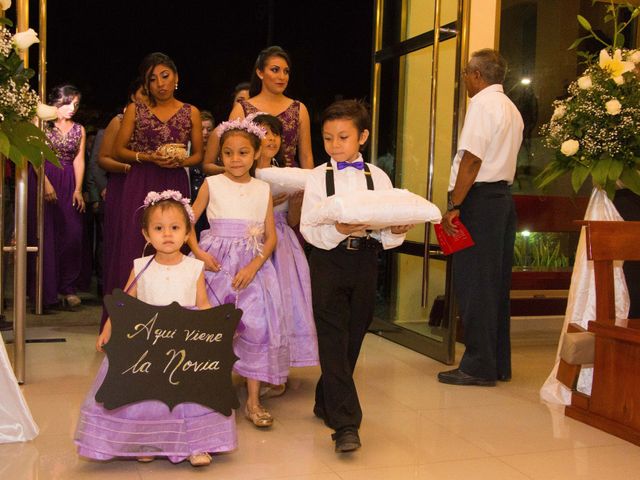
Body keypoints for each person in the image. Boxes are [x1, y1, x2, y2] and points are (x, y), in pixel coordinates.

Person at [75, 192, 236, 467]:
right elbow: (124, 302)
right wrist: (108, 328)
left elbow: (204, 303)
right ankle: (147, 439)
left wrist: (218, 329)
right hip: (147, 346)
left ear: (187, 233)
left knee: (190, 397)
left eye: (175, 228)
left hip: (187, 344)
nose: (167, 235)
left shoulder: (195, 267)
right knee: (146, 398)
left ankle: (195, 444)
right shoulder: (141, 267)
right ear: (146, 235)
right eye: (159, 229)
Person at [300, 100, 412, 453]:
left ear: (362, 136)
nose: (334, 145)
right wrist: (338, 229)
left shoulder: (378, 177)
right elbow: (308, 229)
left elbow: (386, 235)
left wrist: (396, 229)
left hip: (364, 262)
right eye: (328, 138)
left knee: (353, 338)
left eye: (343, 137)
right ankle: (346, 424)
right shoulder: (317, 177)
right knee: (332, 339)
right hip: (327, 261)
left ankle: (325, 399)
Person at [189, 117, 289, 428]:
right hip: (216, 265)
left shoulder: (263, 189)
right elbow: (188, 222)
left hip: (251, 269)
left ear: (257, 153)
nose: (235, 159)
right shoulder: (212, 184)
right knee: (215, 328)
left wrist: (253, 265)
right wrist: (199, 253)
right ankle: (210, 393)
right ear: (220, 155)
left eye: (243, 152)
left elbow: (270, 236)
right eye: (228, 153)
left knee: (256, 327)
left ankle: (254, 400)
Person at [438, 49, 523, 387]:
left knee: (474, 285)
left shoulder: (482, 106)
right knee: (496, 286)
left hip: (480, 202)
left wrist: (455, 203)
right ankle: (497, 362)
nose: (465, 81)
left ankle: (477, 365)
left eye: (465, 74)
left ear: (475, 74)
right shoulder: (511, 108)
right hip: (502, 201)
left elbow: (472, 160)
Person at [111, 52, 203, 313]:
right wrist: (147, 157)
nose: (161, 83)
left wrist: (180, 162)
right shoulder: (135, 110)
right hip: (141, 181)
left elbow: (198, 155)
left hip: (174, 180)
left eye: (165, 76)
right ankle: (125, 319)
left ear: (176, 78)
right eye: (153, 79)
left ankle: (175, 316)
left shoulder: (191, 112)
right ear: (147, 83)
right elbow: (119, 150)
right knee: (134, 245)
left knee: (173, 242)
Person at [254, 113, 318, 377]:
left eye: (275, 134)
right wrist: (266, 202)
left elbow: (292, 220)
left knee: (285, 302)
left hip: (283, 243)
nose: (270, 138)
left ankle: (280, 365)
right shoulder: (245, 174)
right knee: (260, 305)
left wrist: (295, 201)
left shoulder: (286, 174)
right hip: (254, 240)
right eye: (263, 132)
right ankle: (256, 365)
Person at [203, 46, 313, 174]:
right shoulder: (242, 109)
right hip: (251, 182)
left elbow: (306, 157)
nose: (282, 77)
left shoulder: (299, 109)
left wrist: (307, 187)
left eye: (286, 71)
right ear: (260, 73)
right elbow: (231, 152)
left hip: (290, 184)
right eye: (275, 70)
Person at [27, 84, 86, 309]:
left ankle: (67, 286)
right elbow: (34, 155)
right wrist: (45, 183)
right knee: (45, 235)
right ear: (56, 102)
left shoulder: (79, 129)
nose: (72, 108)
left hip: (69, 179)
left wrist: (78, 188)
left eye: (76, 104)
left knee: (72, 235)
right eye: (68, 102)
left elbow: (79, 159)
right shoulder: (40, 123)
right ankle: (44, 291)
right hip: (44, 176)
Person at [97, 80, 147, 331]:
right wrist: (128, 166)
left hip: (148, 183)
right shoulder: (120, 120)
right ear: (132, 96)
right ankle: (117, 319)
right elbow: (103, 158)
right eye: (142, 94)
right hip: (123, 186)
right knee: (123, 247)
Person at [189, 110, 214, 239]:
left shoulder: (221, 152)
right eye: (201, 129)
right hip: (193, 203)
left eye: (209, 129)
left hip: (213, 205)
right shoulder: (188, 152)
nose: (205, 133)